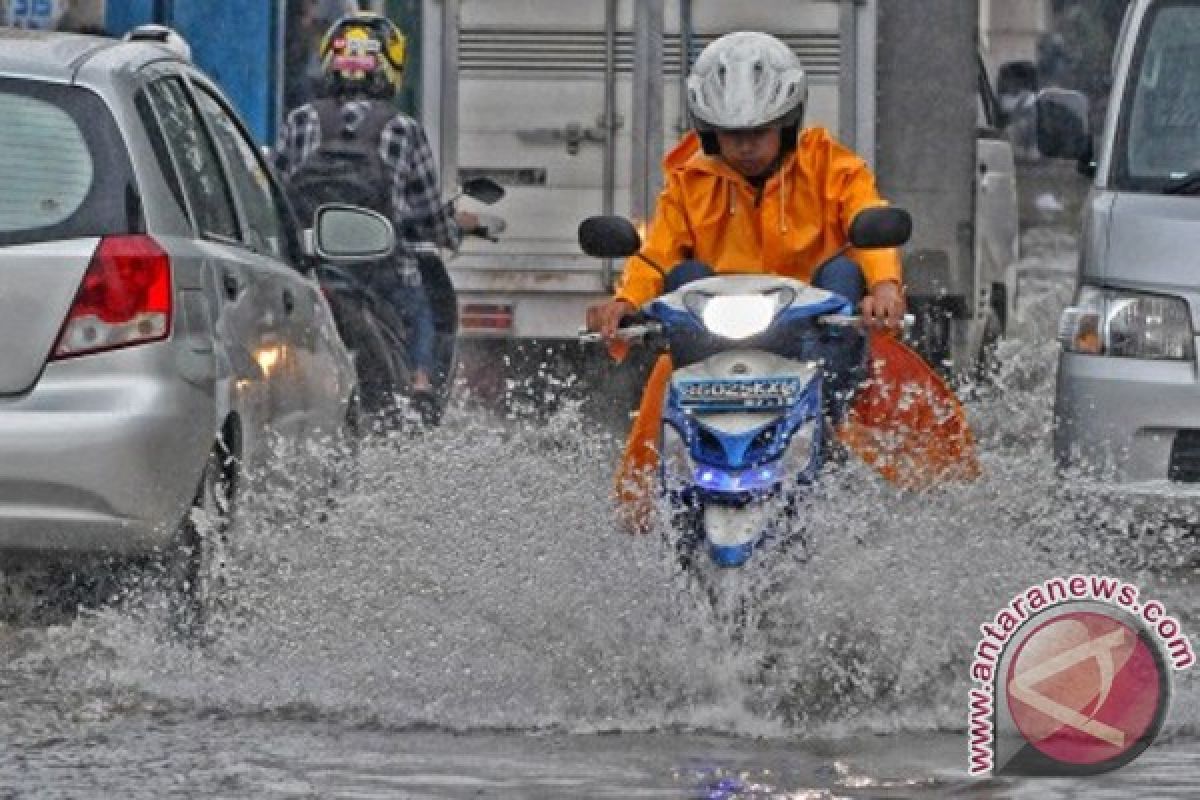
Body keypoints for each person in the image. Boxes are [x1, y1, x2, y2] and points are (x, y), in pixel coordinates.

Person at [587, 31, 905, 343]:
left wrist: (884, 287)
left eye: (759, 133)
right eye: (732, 134)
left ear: (787, 124)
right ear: (710, 133)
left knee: (843, 273)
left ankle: (833, 395)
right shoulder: (689, 182)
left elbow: (868, 221)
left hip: (815, 336)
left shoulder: (831, 165)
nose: (745, 148)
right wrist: (625, 302)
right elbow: (656, 256)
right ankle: (699, 396)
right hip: (714, 341)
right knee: (685, 276)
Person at [275, 11, 477, 395]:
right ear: (391, 66)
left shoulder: (300, 121)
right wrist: (451, 232)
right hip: (382, 276)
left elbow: (276, 193)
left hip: (310, 268)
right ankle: (419, 386)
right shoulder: (403, 130)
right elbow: (429, 215)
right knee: (424, 312)